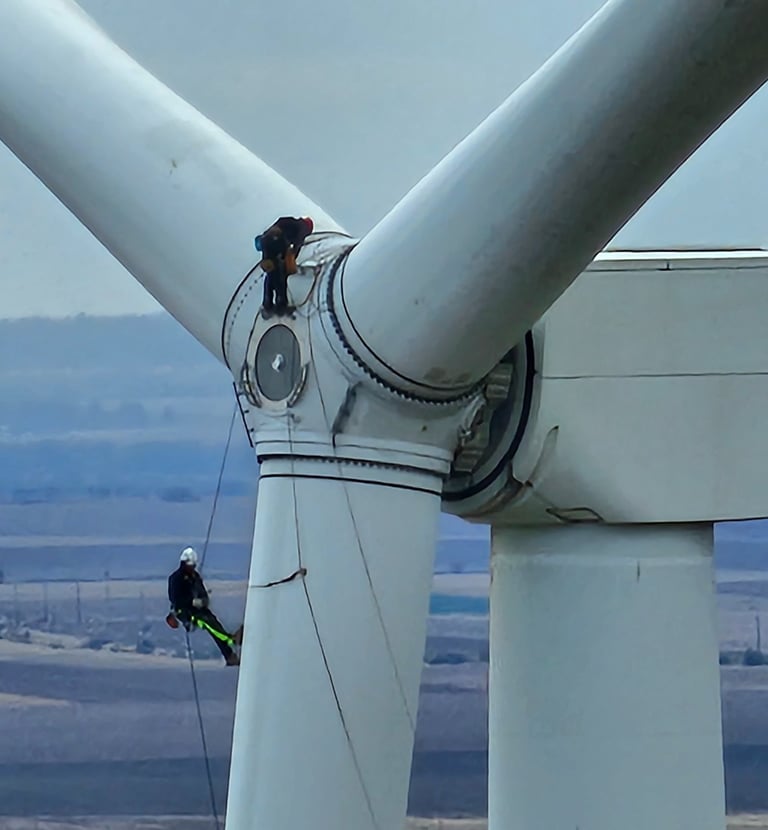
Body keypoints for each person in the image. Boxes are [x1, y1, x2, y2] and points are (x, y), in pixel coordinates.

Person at [166, 547, 242, 666]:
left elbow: (201, 591)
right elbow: (176, 599)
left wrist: (204, 600)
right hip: (185, 612)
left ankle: (229, 655)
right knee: (209, 624)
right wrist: (192, 602)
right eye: (190, 566)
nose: (192, 568)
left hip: (198, 610)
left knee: (214, 623)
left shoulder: (195, 577)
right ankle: (231, 640)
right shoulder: (176, 578)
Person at [255, 216, 314, 317]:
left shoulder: (291, 221)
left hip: (268, 243)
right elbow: (297, 246)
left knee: (270, 275)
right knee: (280, 279)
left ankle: (267, 305)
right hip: (276, 246)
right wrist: (291, 260)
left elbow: (279, 222)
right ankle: (281, 306)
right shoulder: (303, 228)